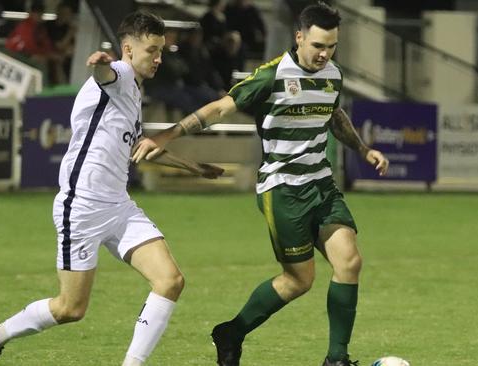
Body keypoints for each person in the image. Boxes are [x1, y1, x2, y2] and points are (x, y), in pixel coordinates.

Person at [132, 3, 389, 366]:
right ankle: (231, 332)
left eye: (331, 46)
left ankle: (336, 359)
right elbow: (221, 108)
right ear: (299, 37)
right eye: (317, 45)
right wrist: (167, 136)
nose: (323, 53)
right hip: (282, 190)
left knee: (349, 261)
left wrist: (363, 149)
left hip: (321, 184)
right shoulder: (272, 76)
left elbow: (333, 112)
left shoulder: (333, 74)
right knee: (299, 281)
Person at [0, 11, 224, 366]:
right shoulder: (120, 75)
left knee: (170, 280)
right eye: (152, 49)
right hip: (83, 206)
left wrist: (194, 167)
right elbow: (106, 73)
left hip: (118, 206)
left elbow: (141, 148)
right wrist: (100, 64)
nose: (158, 57)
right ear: (128, 49)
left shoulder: (133, 92)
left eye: (161, 51)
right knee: (70, 308)